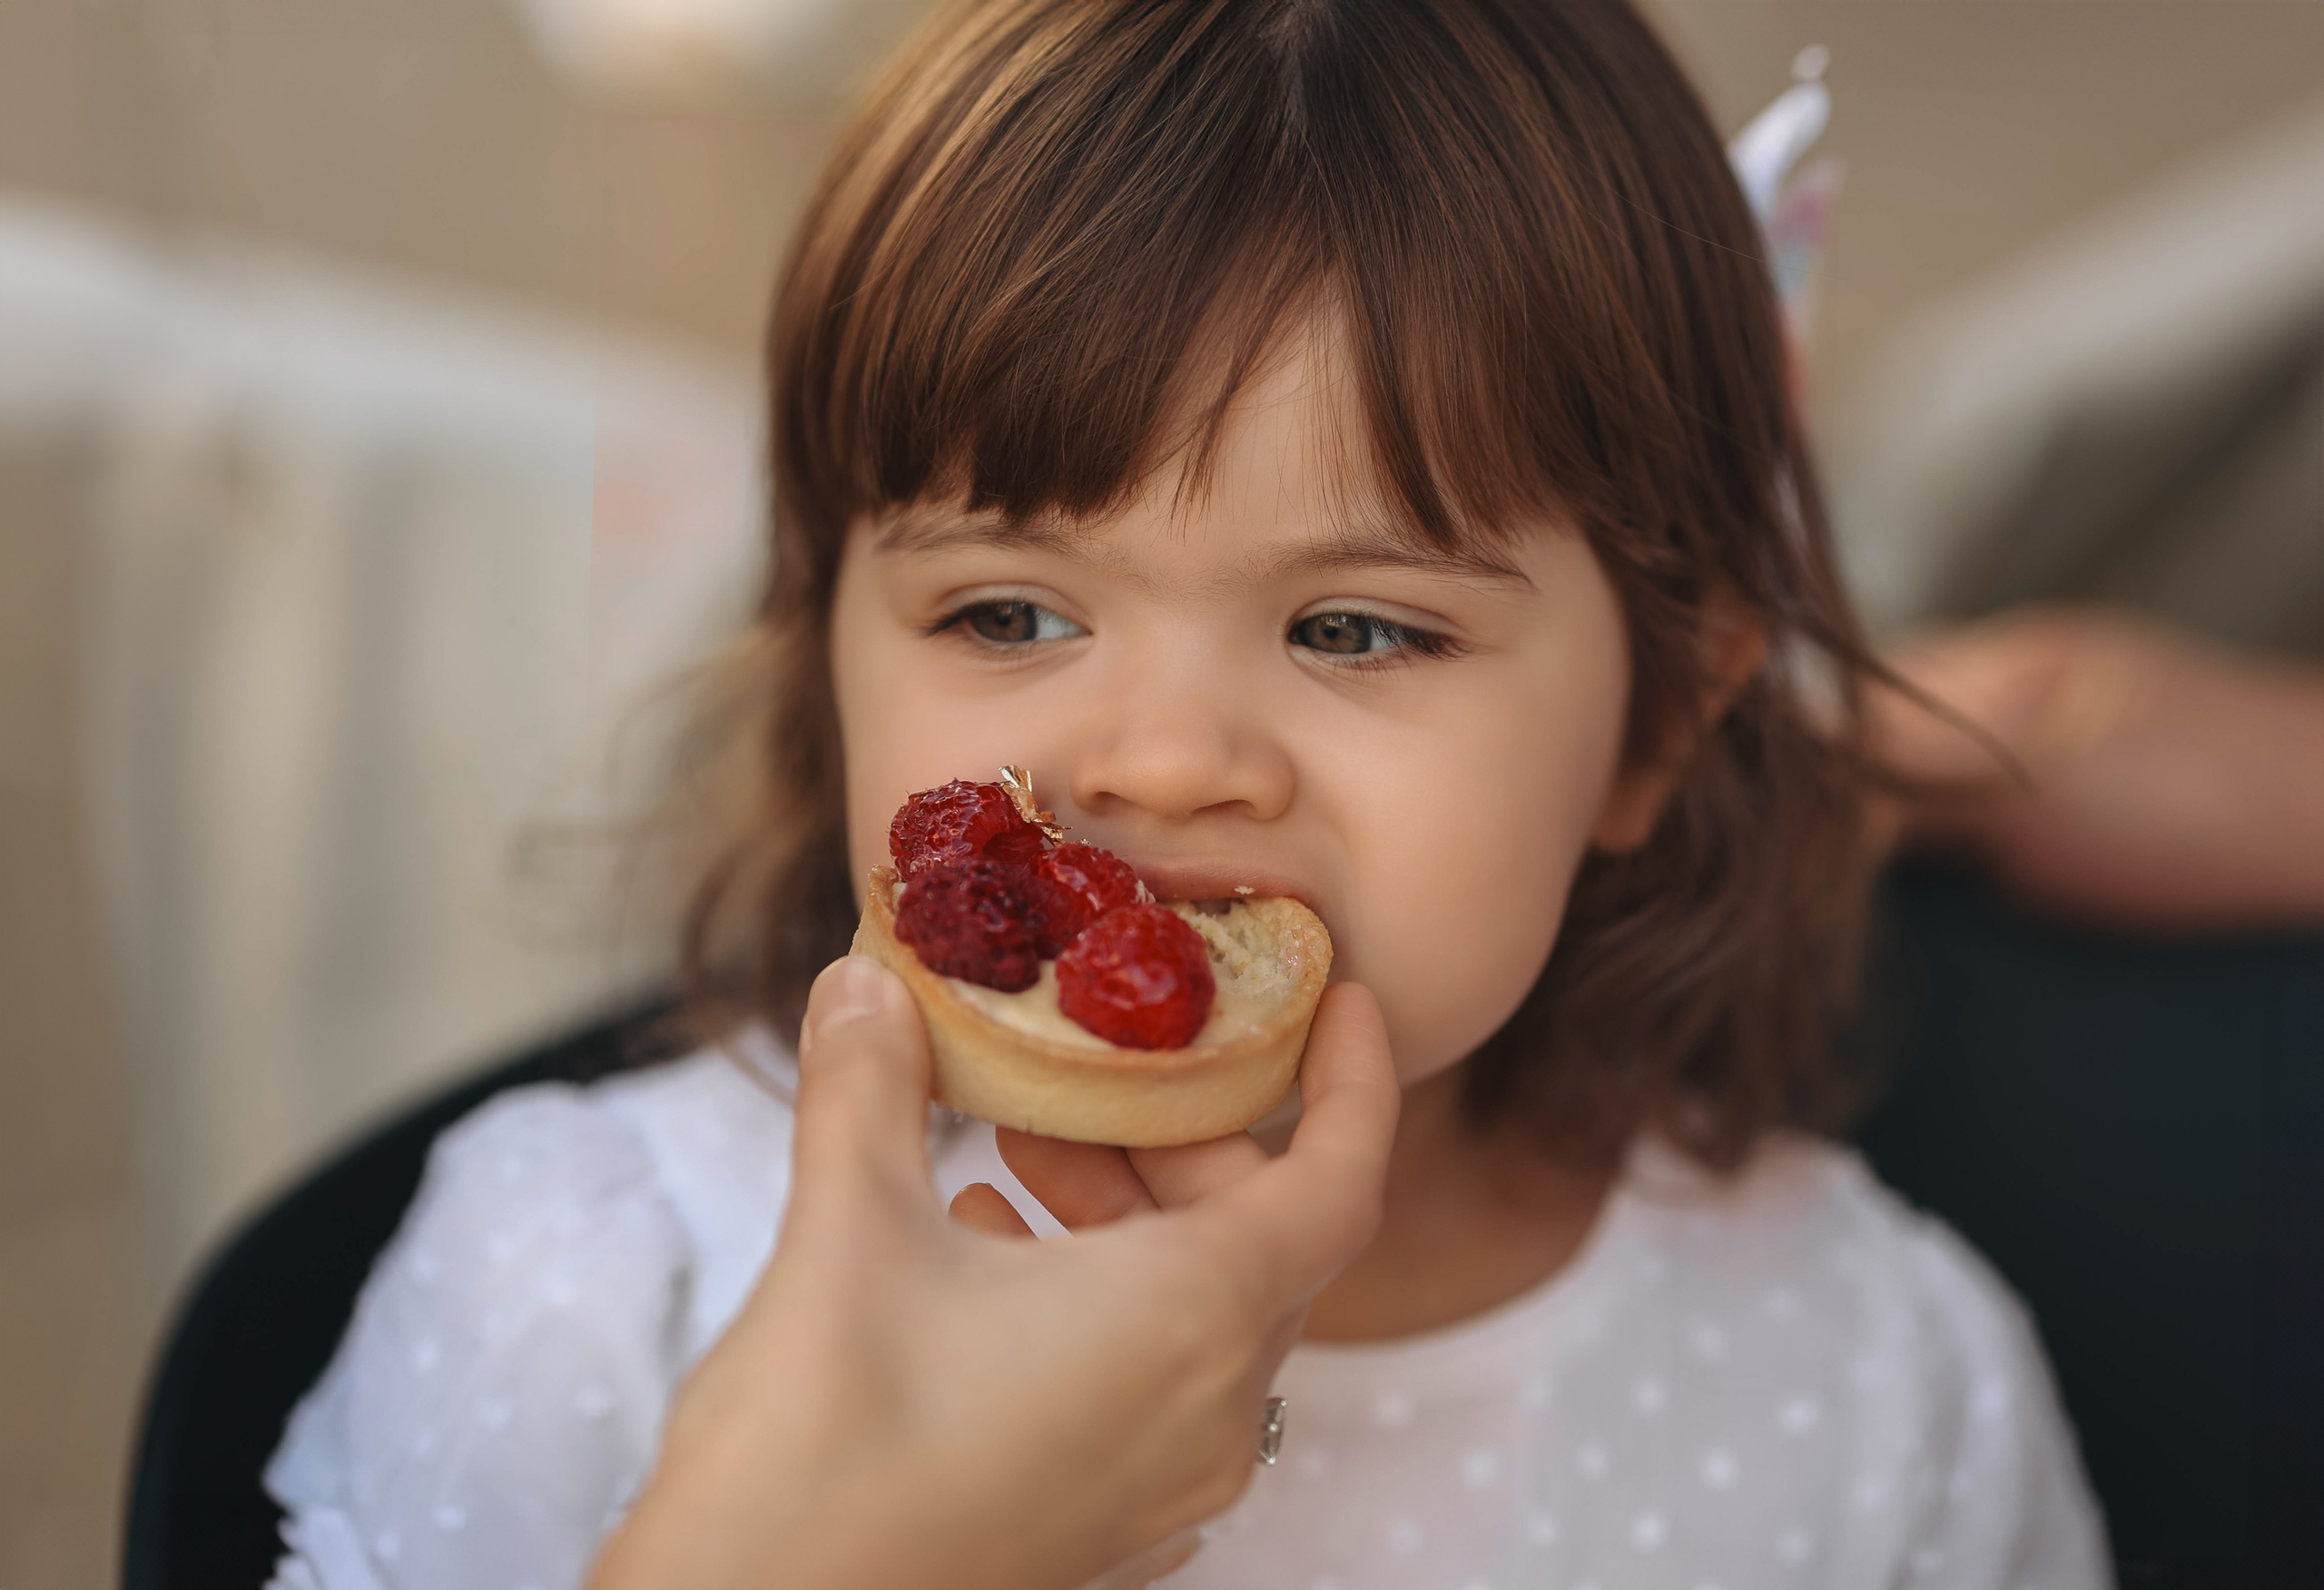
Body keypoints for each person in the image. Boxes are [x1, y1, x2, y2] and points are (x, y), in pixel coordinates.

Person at [262, 3, 2111, 1586]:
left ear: (1655, 727)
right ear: (820, 637)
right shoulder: (581, 1284)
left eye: (1359, 630)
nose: (1152, 760)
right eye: (1002, 609)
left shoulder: (1875, 1387)